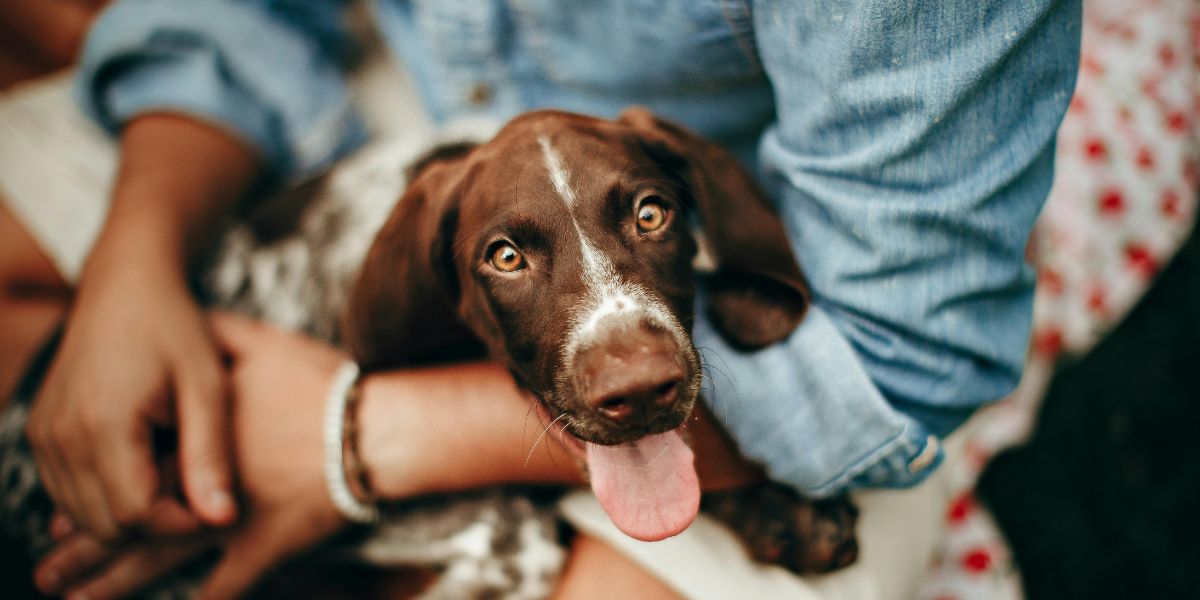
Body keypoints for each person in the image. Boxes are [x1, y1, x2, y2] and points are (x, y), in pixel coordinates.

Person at [0, 0, 1082, 598]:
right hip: (385, 126)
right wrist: (130, 278)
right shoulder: (414, 234)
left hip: (792, 240)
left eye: (649, 216)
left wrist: (348, 440)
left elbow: (902, 351)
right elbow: (239, 19)